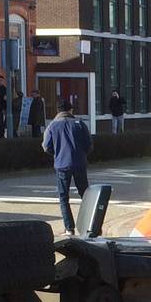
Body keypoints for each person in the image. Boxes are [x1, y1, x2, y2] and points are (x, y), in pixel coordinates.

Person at [42, 99, 92, 236]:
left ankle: (69, 229)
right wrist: (82, 154)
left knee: (64, 197)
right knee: (86, 195)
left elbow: (46, 146)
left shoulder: (52, 126)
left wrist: (57, 153)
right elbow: (89, 144)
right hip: (80, 163)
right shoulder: (79, 123)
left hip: (61, 164)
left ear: (58, 111)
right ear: (70, 110)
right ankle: (90, 226)